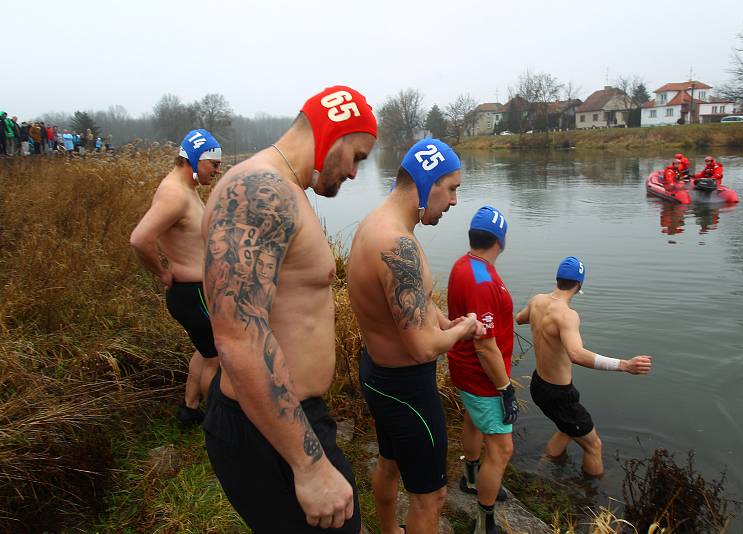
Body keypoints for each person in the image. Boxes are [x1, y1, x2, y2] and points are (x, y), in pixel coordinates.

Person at [201, 85, 378, 533]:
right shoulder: (260, 189)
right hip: (269, 427)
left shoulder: (283, 188)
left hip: (280, 416)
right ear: (335, 133)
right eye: (357, 155)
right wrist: (309, 465)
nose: (356, 173)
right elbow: (237, 334)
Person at [348, 138, 484, 534]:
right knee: (431, 496)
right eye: (453, 188)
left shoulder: (378, 224)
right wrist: (463, 328)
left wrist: (443, 320)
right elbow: (422, 345)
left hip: (379, 373)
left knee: (389, 464)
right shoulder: (398, 243)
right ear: (428, 184)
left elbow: (411, 304)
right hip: (406, 388)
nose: (456, 201)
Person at [515, 257, 652, 477]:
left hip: (538, 385)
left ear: (557, 279)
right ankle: (592, 492)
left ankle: (538, 471)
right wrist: (625, 365)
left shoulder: (537, 301)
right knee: (594, 445)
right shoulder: (568, 315)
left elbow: (519, 319)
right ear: (579, 285)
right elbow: (577, 355)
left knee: (566, 429)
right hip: (559, 394)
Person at [130, 129, 223, 426]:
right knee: (218, 357)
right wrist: (161, 272)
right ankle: (220, 424)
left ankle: (190, 411)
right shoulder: (174, 194)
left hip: (196, 292)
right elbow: (140, 238)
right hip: (190, 292)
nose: (218, 171)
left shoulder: (186, 189)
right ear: (194, 160)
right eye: (214, 164)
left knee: (206, 351)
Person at [446, 205, 517, 534]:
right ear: (500, 240)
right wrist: (505, 388)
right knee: (502, 449)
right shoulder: (483, 280)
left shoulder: (465, 264)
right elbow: (485, 345)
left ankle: (471, 478)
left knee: (472, 420)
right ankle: (484, 520)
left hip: (464, 370)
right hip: (483, 377)